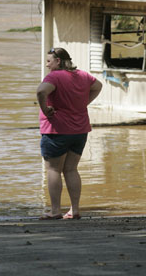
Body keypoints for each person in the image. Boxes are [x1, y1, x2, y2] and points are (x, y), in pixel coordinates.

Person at [36, 47, 102, 220]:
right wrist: (83, 103)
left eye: (49, 61)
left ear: (58, 61)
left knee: (53, 170)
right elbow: (98, 86)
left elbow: (41, 91)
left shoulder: (54, 76)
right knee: (71, 169)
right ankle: (75, 210)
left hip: (57, 130)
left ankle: (55, 210)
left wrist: (45, 109)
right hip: (80, 131)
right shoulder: (83, 75)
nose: (47, 64)